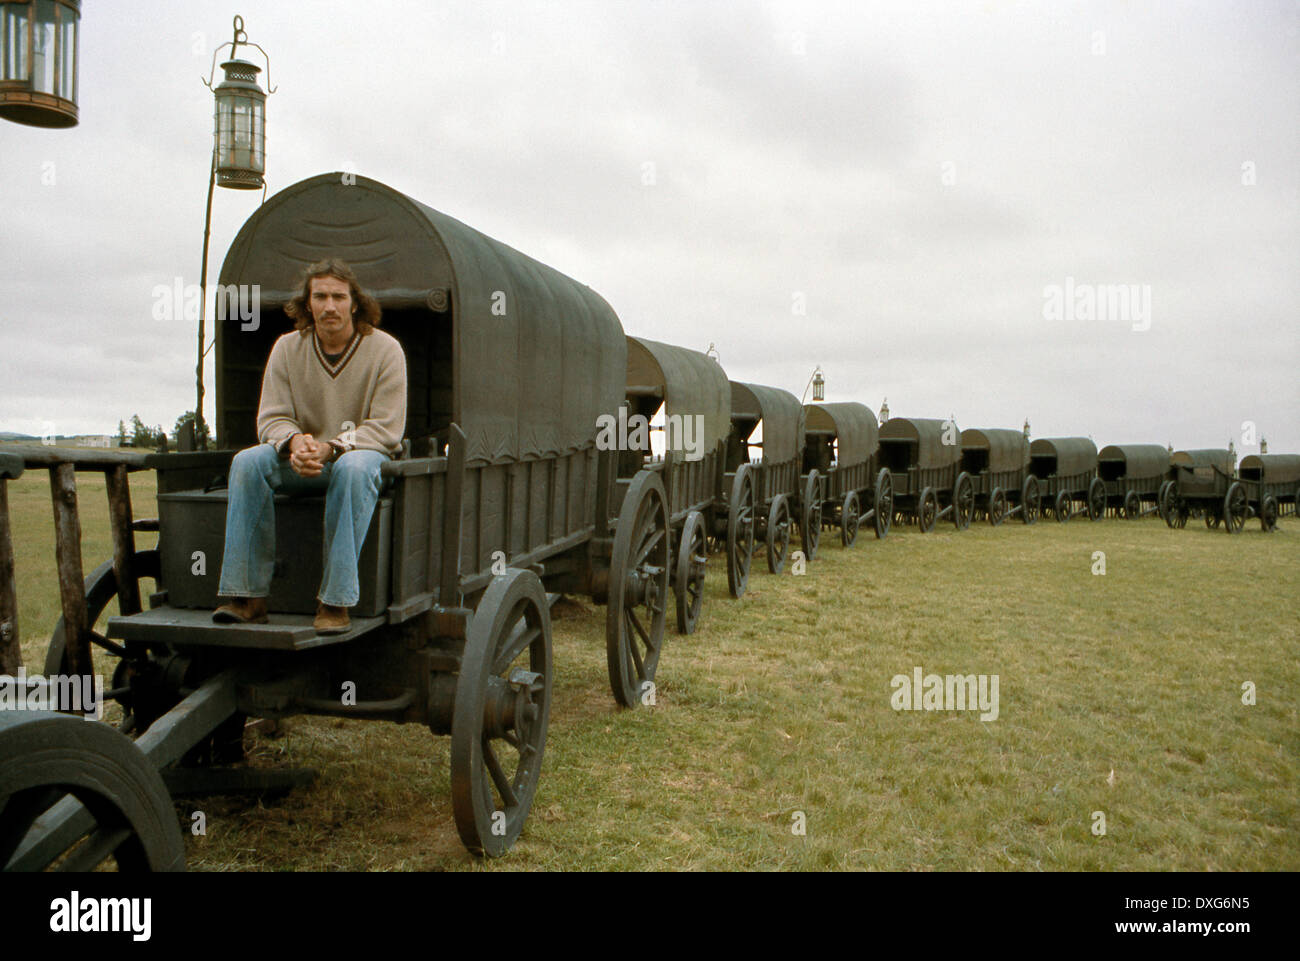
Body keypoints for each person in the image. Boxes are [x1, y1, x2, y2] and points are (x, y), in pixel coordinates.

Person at [213, 259, 407, 634]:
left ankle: (334, 601)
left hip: (358, 462)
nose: (329, 305)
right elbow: (272, 418)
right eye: (320, 296)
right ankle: (248, 598)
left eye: (338, 296)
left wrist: (332, 447)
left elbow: (385, 429)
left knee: (353, 468)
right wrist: (295, 442)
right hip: (302, 460)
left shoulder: (385, 350)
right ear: (307, 304)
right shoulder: (287, 348)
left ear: (354, 303)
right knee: (247, 462)